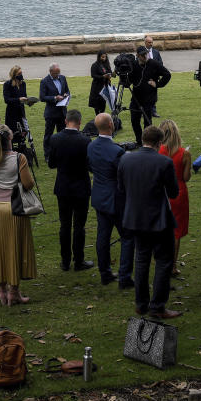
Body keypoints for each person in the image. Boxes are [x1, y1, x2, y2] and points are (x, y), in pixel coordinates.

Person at [119, 125, 180, 318]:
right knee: (163, 261)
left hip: (135, 217)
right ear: (159, 143)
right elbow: (173, 192)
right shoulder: (164, 162)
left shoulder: (126, 159)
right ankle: (157, 306)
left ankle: (141, 303)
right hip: (159, 219)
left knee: (142, 259)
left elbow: (122, 189)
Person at [0, 124, 37, 306]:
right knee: (14, 248)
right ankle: (14, 291)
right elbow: (28, 183)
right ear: (9, 139)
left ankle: (2, 290)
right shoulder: (18, 158)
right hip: (14, 207)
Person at [87, 112, 134, 287]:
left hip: (99, 195)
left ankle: (105, 273)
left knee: (103, 236)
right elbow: (124, 176)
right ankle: (124, 277)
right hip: (116, 199)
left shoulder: (91, 147)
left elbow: (90, 166)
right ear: (111, 125)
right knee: (128, 237)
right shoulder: (116, 151)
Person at [48, 109, 93, 271]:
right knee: (79, 226)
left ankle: (65, 261)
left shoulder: (55, 139)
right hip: (81, 187)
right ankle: (79, 260)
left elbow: (51, 163)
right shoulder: (85, 141)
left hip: (63, 187)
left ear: (66, 121)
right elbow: (90, 165)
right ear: (79, 122)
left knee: (65, 225)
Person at [158, 119, 192, 276]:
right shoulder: (184, 153)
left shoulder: (157, 151)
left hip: (161, 191)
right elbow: (186, 177)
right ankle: (172, 265)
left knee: (160, 227)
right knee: (176, 231)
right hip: (178, 193)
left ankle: (160, 260)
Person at [128, 46, 171, 146]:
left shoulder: (153, 63)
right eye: (142, 55)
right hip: (136, 98)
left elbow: (167, 74)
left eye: (146, 54)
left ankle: (148, 142)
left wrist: (157, 84)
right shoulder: (134, 65)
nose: (145, 56)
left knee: (147, 122)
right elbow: (129, 81)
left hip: (149, 98)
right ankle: (139, 141)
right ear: (137, 55)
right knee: (134, 120)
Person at [39, 63, 70, 161]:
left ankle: (61, 152)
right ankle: (48, 155)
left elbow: (67, 91)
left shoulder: (63, 78)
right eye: (56, 73)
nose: (58, 75)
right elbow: (42, 97)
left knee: (62, 134)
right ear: (51, 72)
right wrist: (55, 98)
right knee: (48, 135)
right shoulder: (44, 81)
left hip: (62, 112)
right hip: (51, 113)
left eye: (58, 73)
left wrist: (66, 95)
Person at [3, 65, 32, 133]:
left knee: (23, 133)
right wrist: (19, 99)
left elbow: (24, 96)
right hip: (11, 113)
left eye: (21, 73)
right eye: (19, 74)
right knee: (12, 133)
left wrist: (29, 101)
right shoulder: (7, 84)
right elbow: (6, 100)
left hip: (21, 112)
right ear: (14, 75)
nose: (21, 75)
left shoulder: (23, 84)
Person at [88, 50, 113, 116]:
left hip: (105, 86)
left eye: (105, 57)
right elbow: (93, 75)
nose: (104, 58)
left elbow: (110, 71)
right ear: (99, 57)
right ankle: (98, 116)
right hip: (97, 87)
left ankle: (102, 115)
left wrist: (110, 75)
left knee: (103, 102)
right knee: (97, 103)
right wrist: (102, 76)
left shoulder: (107, 64)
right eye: (102, 57)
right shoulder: (95, 65)